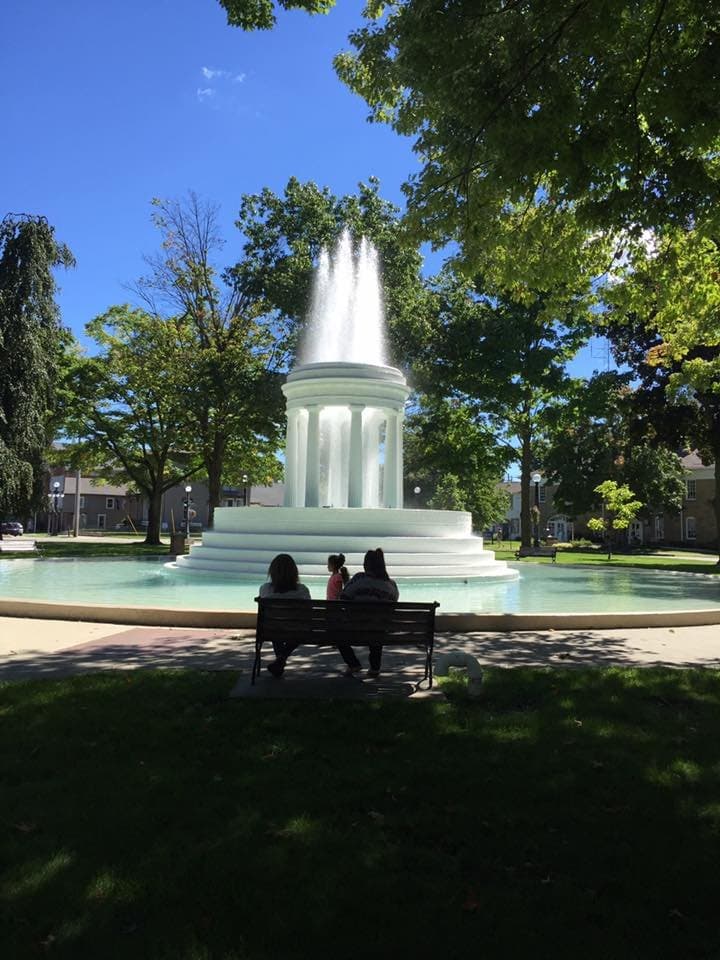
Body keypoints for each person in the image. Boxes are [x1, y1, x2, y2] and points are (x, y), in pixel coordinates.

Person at [338, 547, 399, 678]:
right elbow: (392, 605)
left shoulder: (359, 579)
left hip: (355, 628)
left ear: (366, 565)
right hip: (379, 630)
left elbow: (343, 598)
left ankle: (353, 663)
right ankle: (375, 667)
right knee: (378, 623)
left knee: (336, 631)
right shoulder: (391, 585)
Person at [259, 554, 311, 676]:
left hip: (272, 630)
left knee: (275, 627)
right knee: (299, 630)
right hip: (298, 631)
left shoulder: (265, 589)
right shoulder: (302, 590)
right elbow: (309, 613)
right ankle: (281, 659)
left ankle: (280, 660)